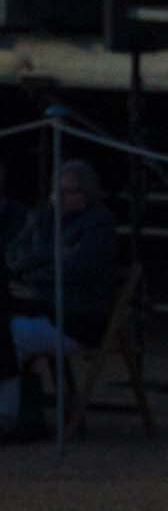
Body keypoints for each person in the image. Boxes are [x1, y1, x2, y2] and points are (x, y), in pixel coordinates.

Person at [1, 158, 119, 443]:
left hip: (75, 318)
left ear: (87, 193)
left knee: (6, 336)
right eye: (58, 191)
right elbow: (15, 255)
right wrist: (44, 261)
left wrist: (37, 268)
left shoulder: (98, 226)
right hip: (41, 306)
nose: (61, 197)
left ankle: (8, 418)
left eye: (70, 191)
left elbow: (76, 267)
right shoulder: (43, 219)